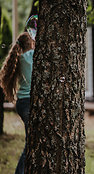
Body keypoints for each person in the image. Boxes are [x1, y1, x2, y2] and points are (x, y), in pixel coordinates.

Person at [0, 32, 35, 174]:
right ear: (31, 44)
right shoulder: (32, 55)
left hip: (22, 102)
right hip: (28, 103)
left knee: (31, 141)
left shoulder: (19, 58)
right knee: (30, 143)